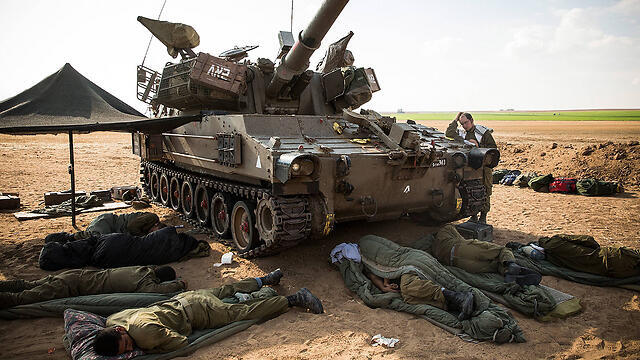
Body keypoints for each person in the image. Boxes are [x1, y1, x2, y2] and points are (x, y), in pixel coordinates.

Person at [93, 269, 323, 355]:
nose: (130, 348)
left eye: (126, 344)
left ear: (120, 331)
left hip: (199, 313)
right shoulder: (116, 320)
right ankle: (265, 279)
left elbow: (181, 342)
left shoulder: (144, 337)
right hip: (185, 299)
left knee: (243, 312)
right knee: (227, 289)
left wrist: (152, 348)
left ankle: (294, 299)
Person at [0, 265, 185, 309]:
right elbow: (159, 291)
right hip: (71, 286)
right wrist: (181, 284)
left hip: (75, 274)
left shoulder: (140, 269)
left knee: (27, 285)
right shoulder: (145, 283)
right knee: (22, 298)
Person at [430, 225, 542, 286]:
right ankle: (509, 266)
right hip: (462, 253)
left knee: (492, 264)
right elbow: (462, 240)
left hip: (456, 262)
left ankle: (508, 272)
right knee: (500, 252)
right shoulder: (448, 228)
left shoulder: (437, 245)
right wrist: (510, 261)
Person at [445, 112, 497, 223]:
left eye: (466, 122)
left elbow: (493, 149)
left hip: (483, 167)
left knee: (485, 191)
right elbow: (448, 133)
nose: (464, 125)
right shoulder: (462, 133)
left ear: (472, 120)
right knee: (468, 191)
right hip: (468, 168)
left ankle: (483, 217)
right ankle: (473, 216)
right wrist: (455, 120)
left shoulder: (482, 132)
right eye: (462, 123)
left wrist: (479, 147)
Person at [365, 270, 475, 321]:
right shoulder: (366, 266)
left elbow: (385, 264)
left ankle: (458, 297)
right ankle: (454, 305)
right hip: (400, 282)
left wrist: (386, 281)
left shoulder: (368, 250)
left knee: (408, 287)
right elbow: (373, 275)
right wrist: (384, 287)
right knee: (409, 298)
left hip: (405, 271)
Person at [72, 212, 165, 240]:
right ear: (156, 224)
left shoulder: (150, 227)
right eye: (154, 231)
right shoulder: (152, 218)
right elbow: (131, 226)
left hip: (112, 229)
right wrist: (143, 238)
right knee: (93, 239)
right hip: (108, 223)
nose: (151, 233)